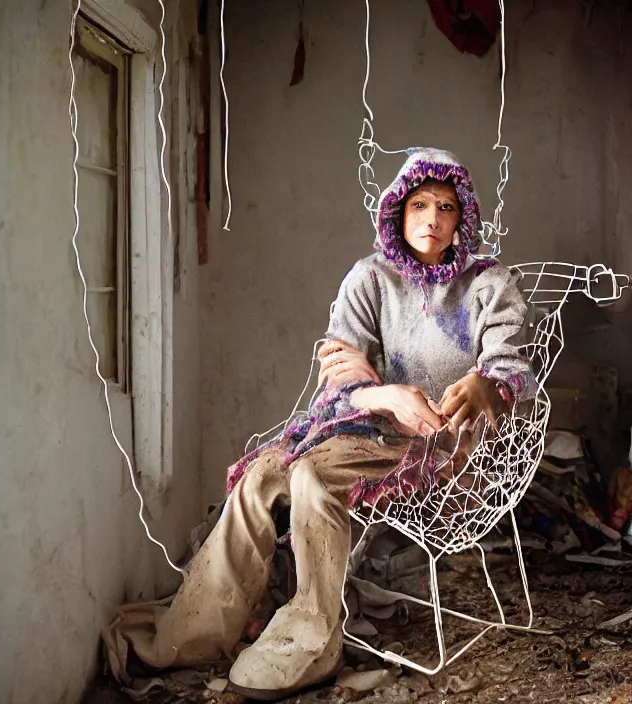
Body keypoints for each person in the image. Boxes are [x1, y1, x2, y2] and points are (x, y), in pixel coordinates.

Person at [103, 148, 535, 700]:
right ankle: (196, 632)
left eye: (446, 207)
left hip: (439, 437)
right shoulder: (371, 278)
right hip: (366, 422)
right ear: (398, 213)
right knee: (263, 476)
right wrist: (386, 393)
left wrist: (485, 382)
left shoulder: (487, 283)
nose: (432, 219)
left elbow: (507, 360)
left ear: (463, 216)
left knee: (311, 479)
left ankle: (313, 637)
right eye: (420, 205)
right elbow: (340, 369)